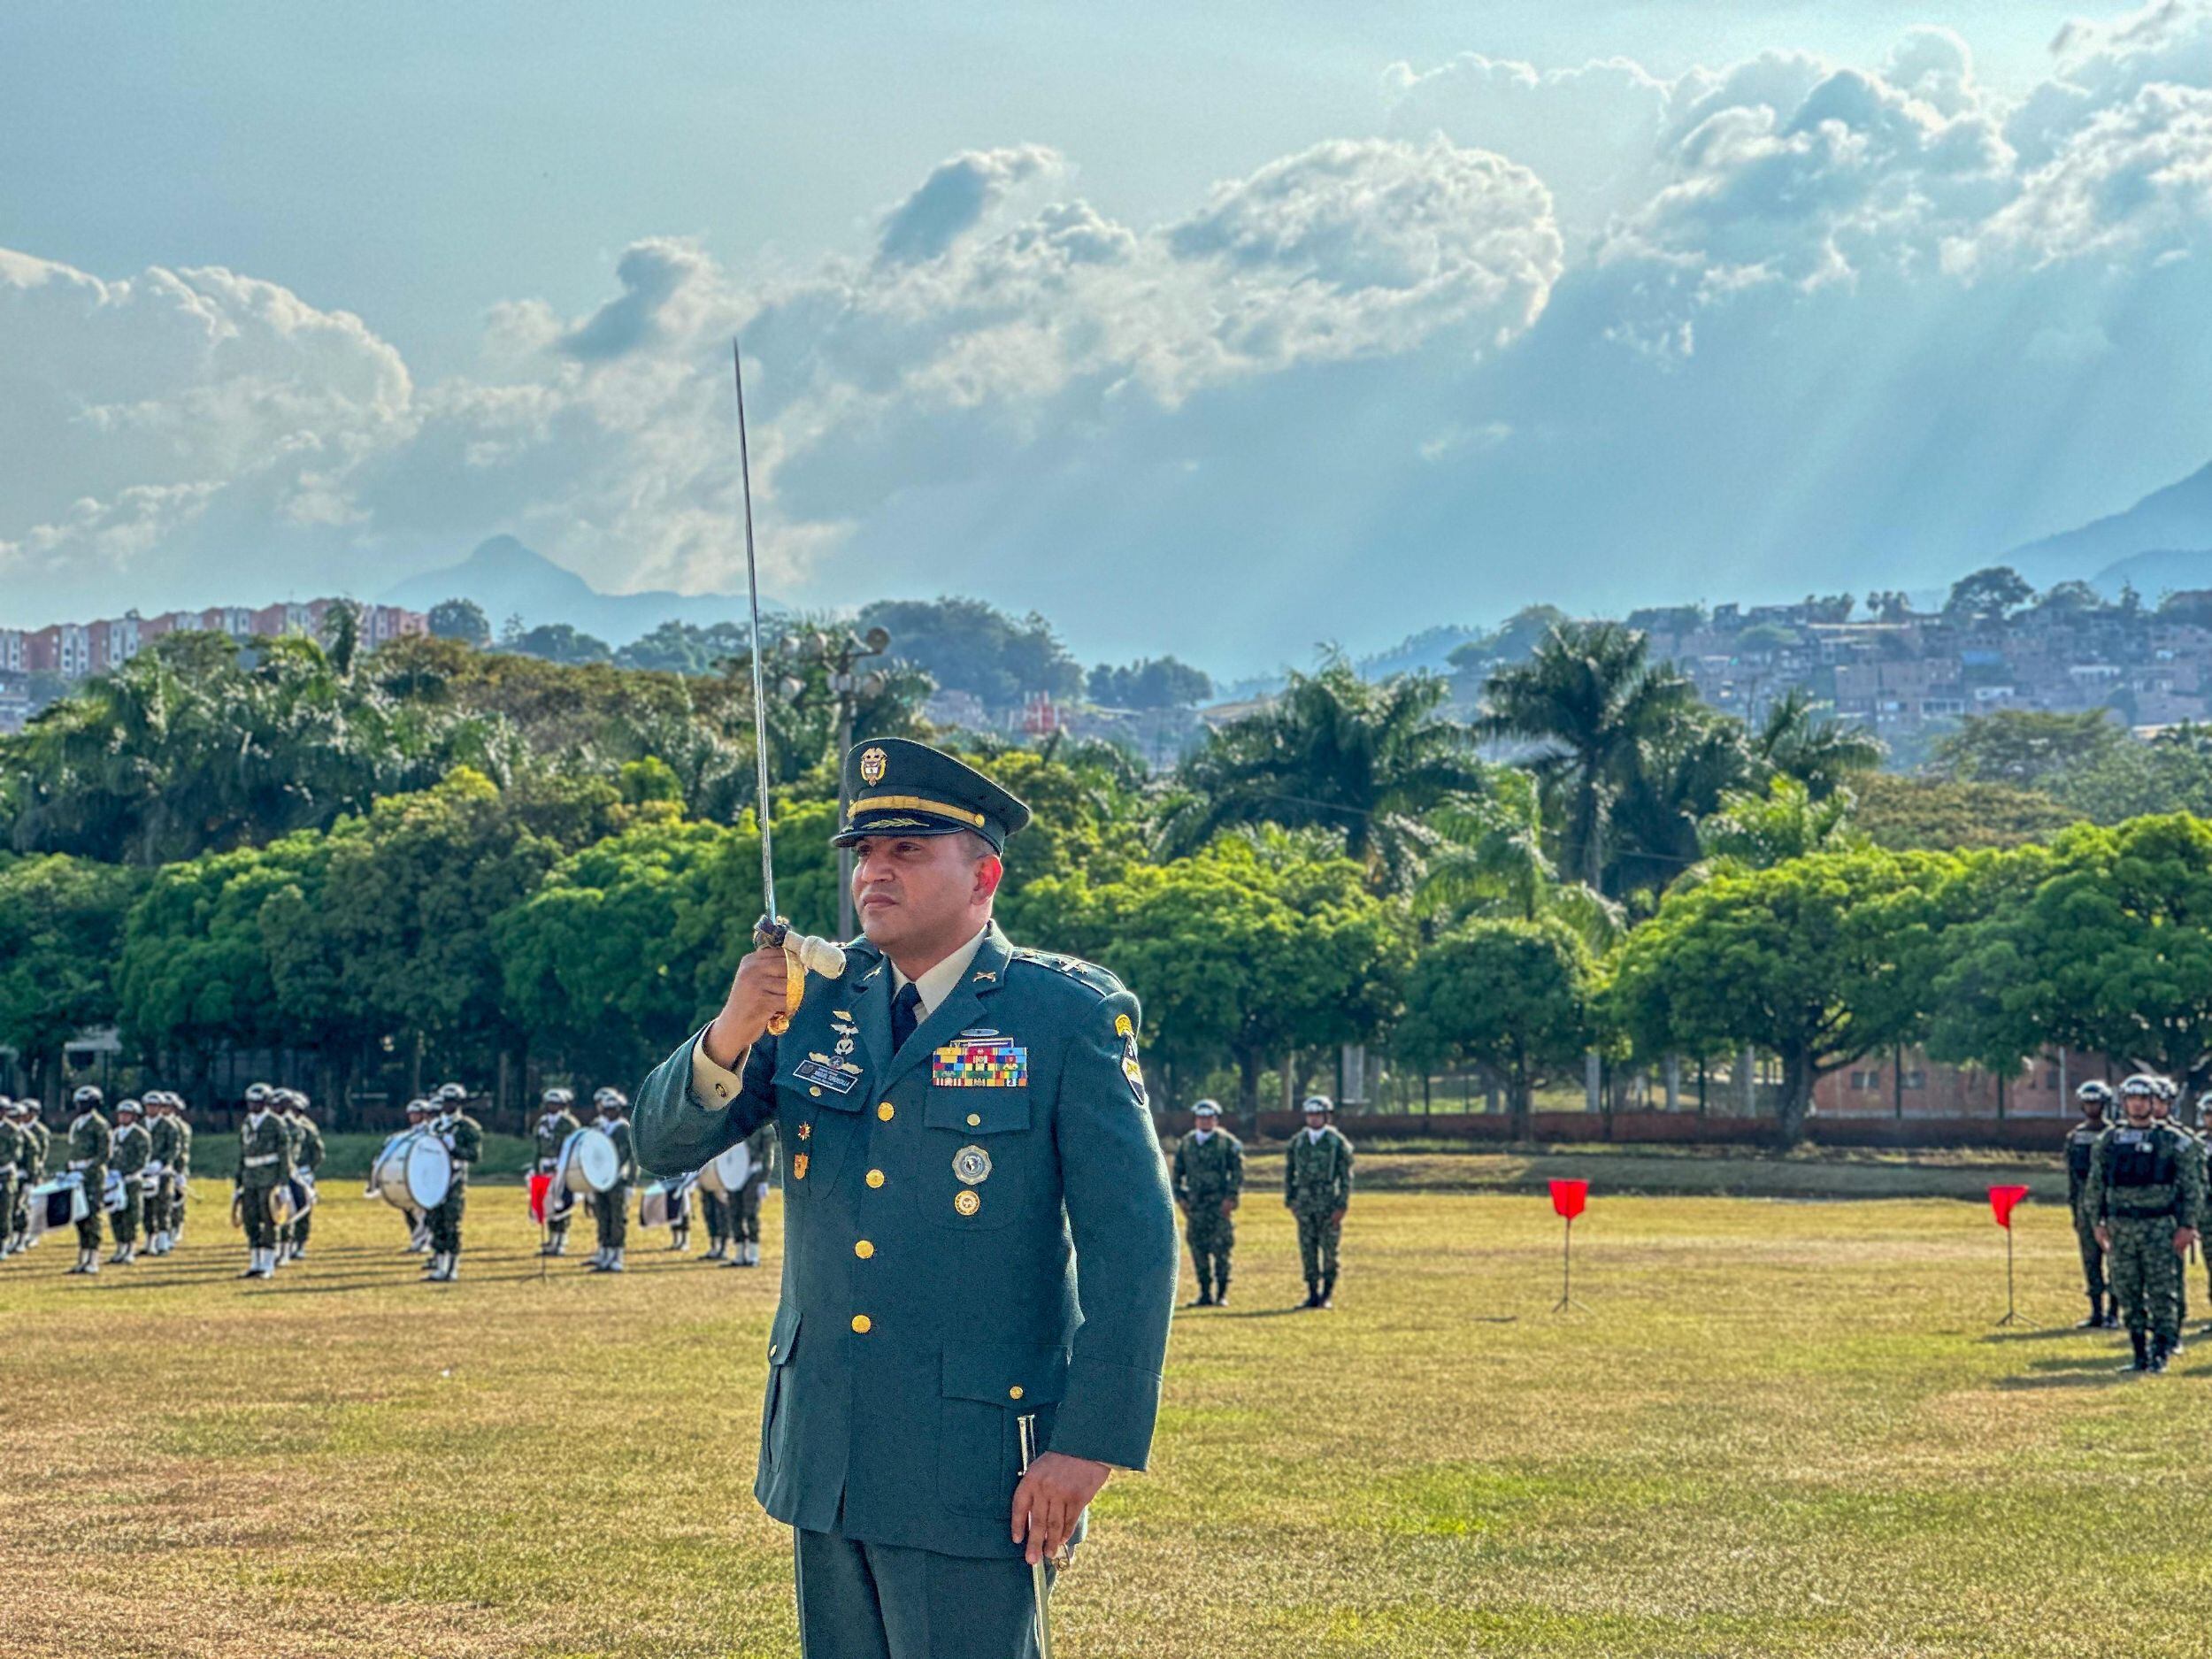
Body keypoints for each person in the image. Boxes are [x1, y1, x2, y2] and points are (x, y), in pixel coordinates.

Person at [633, 736, 1178, 1659]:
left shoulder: (1065, 1016)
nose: (874, 873)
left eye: (908, 851)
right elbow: (662, 1144)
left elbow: (1134, 1243)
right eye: (865, 854)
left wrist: (1088, 1446)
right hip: (827, 1447)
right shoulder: (810, 1000)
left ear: (984, 875)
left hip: (975, 1459)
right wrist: (730, 1032)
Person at [2086, 1073, 2205, 1373]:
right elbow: (2096, 1185)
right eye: (2132, 1099)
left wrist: (2188, 1225)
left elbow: (2192, 1187)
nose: (2137, 1104)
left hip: (2160, 1226)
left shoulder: (2174, 1140)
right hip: (2121, 1226)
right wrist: (2097, 1223)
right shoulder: (2109, 1141)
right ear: (2123, 1102)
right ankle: (2139, 1351)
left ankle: (2162, 1349)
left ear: (2155, 1102)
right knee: (2127, 1289)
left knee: (2163, 1290)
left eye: (2144, 1099)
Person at [1285, 1094, 1354, 1310]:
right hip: (1305, 1203)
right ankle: (1312, 1293)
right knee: (1308, 1250)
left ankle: (1327, 1294)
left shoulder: (1337, 1142)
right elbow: (1289, 1173)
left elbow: (1345, 1177)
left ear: (1326, 1116)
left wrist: (1341, 1205)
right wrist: (1291, 1200)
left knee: (1329, 1251)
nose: (1313, 1119)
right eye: (1310, 1115)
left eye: (1317, 1114)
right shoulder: (1298, 1142)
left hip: (1328, 1202)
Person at [1171, 1100, 1243, 1306]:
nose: (1205, 1122)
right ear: (1196, 1120)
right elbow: (1177, 1173)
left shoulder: (1226, 1142)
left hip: (1219, 1204)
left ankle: (1221, 1293)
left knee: (1222, 1248)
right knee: (1198, 1248)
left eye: (1209, 1118)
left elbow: (1237, 1173)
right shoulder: (1187, 1143)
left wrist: (1231, 1198)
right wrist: (1181, 1198)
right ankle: (1204, 1292)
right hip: (1196, 1206)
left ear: (1216, 1120)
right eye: (1201, 1118)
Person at [2065, 1081, 2116, 1329]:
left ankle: (2115, 1312)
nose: (2091, 1107)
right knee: (2090, 1259)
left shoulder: (2115, 1134)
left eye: (2095, 1102)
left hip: (2111, 1202)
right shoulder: (2075, 1137)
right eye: (2087, 1102)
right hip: (2085, 1204)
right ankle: (2096, 1310)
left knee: (2115, 1258)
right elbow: (2072, 1177)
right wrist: (2075, 1209)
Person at [424, 1086, 482, 1283]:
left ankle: (453, 1266)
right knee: (435, 1222)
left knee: (451, 1223)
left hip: (454, 1181)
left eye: (452, 1101)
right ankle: (440, 1266)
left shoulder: (468, 1127)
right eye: (445, 1101)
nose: (448, 1105)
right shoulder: (435, 1126)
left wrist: (455, 1149)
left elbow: (474, 1155)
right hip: (435, 1179)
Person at [234, 1087, 288, 1279]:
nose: (253, 1106)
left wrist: (283, 1184)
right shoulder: (247, 1122)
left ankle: (268, 1264)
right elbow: (243, 1153)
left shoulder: (275, 1123)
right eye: (250, 1102)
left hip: (268, 1177)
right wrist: (238, 1182)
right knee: (251, 1219)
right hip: (250, 1177)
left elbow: (284, 1154)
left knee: (269, 1219)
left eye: (257, 1102)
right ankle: (255, 1262)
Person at [65, 1085, 112, 1276]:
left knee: (93, 1216)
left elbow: (104, 1154)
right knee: (79, 1216)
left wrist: (87, 1169)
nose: (80, 1106)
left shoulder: (100, 1125)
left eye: (84, 1103)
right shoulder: (77, 1124)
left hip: (92, 1176)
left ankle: (93, 1258)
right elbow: (72, 1149)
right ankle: (82, 1257)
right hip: (76, 1173)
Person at [589, 1087, 636, 1273]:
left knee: (617, 1218)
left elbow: (633, 1158)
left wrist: (631, 1183)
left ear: (619, 1109)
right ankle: (605, 1252)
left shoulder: (623, 1128)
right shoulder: (599, 1127)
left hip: (618, 1179)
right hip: (600, 1179)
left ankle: (618, 1255)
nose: (609, 1112)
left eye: (612, 1109)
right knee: (603, 1216)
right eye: (606, 1109)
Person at [532, 1087, 583, 1256]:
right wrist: (535, 1168)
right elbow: (537, 1148)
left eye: (556, 1104)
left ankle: (561, 1240)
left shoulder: (569, 1124)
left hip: (562, 1167)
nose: (552, 1107)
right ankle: (551, 1239)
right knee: (548, 1204)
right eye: (549, 1104)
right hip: (544, 1166)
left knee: (562, 1204)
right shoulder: (541, 1123)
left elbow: (576, 1148)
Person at [106, 1098, 150, 1265]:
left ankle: (130, 1249)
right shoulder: (115, 1134)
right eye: (121, 1114)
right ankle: (120, 1247)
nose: (123, 1117)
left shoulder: (140, 1135)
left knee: (131, 1215)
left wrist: (127, 1173)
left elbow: (141, 1159)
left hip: (131, 1181)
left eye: (127, 1115)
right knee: (115, 1215)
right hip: (115, 1180)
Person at [726, 1121, 775, 1270]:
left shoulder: (765, 1127)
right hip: (735, 1172)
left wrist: (764, 1180)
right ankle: (739, 1255)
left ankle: (753, 1255)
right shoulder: (735, 1123)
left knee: (750, 1213)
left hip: (754, 1172)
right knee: (734, 1213)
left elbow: (768, 1154)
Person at [283, 1092, 326, 1262]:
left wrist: (307, 1169)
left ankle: (300, 1243)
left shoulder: (307, 1127)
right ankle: (286, 1241)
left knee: (303, 1208)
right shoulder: (281, 1124)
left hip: (302, 1172)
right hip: (285, 1171)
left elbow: (318, 1153)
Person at [13, 1096, 50, 1254]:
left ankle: (31, 1234)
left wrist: (33, 1175)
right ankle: (17, 1235)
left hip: (33, 1172)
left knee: (31, 1205)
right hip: (18, 1172)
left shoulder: (40, 1131)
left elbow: (40, 1155)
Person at [0, 1097, 22, 1262]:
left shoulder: (12, 1130)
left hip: (5, 1174)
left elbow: (16, 1154)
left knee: (5, 1210)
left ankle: (3, 1245)